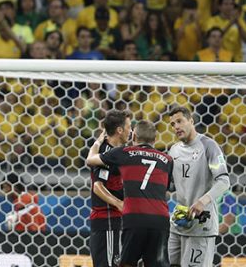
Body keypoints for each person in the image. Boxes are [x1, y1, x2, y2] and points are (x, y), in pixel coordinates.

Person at [87, 120, 173, 267]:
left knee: (127, 263)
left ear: (134, 136)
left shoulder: (124, 153)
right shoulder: (168, 160)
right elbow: (165, 188)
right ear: (155, 139)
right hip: (160, 219)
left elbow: (91, 160)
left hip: (135, 217)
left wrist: (97, 142)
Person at [166, 106, 230, 267]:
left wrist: (202, 201)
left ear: (191, 121)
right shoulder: (174, 150)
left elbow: (223, 181)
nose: (176, 127)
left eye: (180, 121)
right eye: (173, 124)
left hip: (201, 225)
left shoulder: (209, 146)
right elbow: (168, 184)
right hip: (179, 223)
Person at [89, 111, 130, 267]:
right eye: (129, 126)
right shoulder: (106, 154)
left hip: (113, 221)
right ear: (119, 130)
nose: (130, 131)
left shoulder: (112, 152)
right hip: (106, 219)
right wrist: (119, 203)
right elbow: (98, 187)